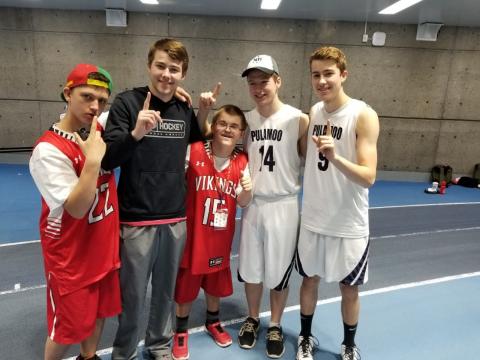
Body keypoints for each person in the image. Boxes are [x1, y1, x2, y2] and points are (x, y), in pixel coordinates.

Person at [101, 38, 215, 360]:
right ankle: (124, 352)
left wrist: (203, 111)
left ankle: (159, 346)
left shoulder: (182, 107)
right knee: (133, 295)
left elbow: (197, 139)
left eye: (174, 69)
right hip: (136, 217)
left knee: (165, 293)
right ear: (150, 65)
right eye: (161, 66)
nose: (167, 74)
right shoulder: (126, 103)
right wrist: (136, 133)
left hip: (175, 217)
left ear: (183, 74)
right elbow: (109, 158)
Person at [29, 63, 121, 360]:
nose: (95, 107)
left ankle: (89, 357)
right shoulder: (48, 151)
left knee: (98, 312)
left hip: (102, 248)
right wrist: (93, 163)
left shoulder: (95, 129)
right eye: (87, 97)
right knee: (66, 328)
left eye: (102, 101)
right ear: (68, 93)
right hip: (70, 258)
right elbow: (78, 209)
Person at [295, 46, 379, 360]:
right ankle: (305, 338)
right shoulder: (315, 112)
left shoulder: (363, 115)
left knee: (349, 288)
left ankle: (348, 345)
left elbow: (368, 176)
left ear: (343, 75)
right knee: (309, 279)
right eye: (316, 74)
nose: (322, 80)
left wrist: (335, 157)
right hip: (314, 217)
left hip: (349, 222)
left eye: (328, 73)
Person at [237, 55, 310, 358]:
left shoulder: (299, 119)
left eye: (264, 81)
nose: (258, 88)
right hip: (253, 204)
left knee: (279, 271)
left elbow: (314, 163)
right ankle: (253, 318)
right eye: (252, 83)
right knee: (251, 268)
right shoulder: (246, 121)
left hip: (283, 204)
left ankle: (276, 323)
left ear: (278, 81)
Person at [171, 105, 253, 360]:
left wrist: (248, 190)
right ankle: (180, 331)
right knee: (186, 285)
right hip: (193, 235)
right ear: (213, 127)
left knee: (215, 282)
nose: (227, 129)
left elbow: (242, 201)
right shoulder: (193, 151)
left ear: (241, 134)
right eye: (223, 123)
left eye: (234, 126)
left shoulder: (242, 161)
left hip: (219, 235)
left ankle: (213, 322)